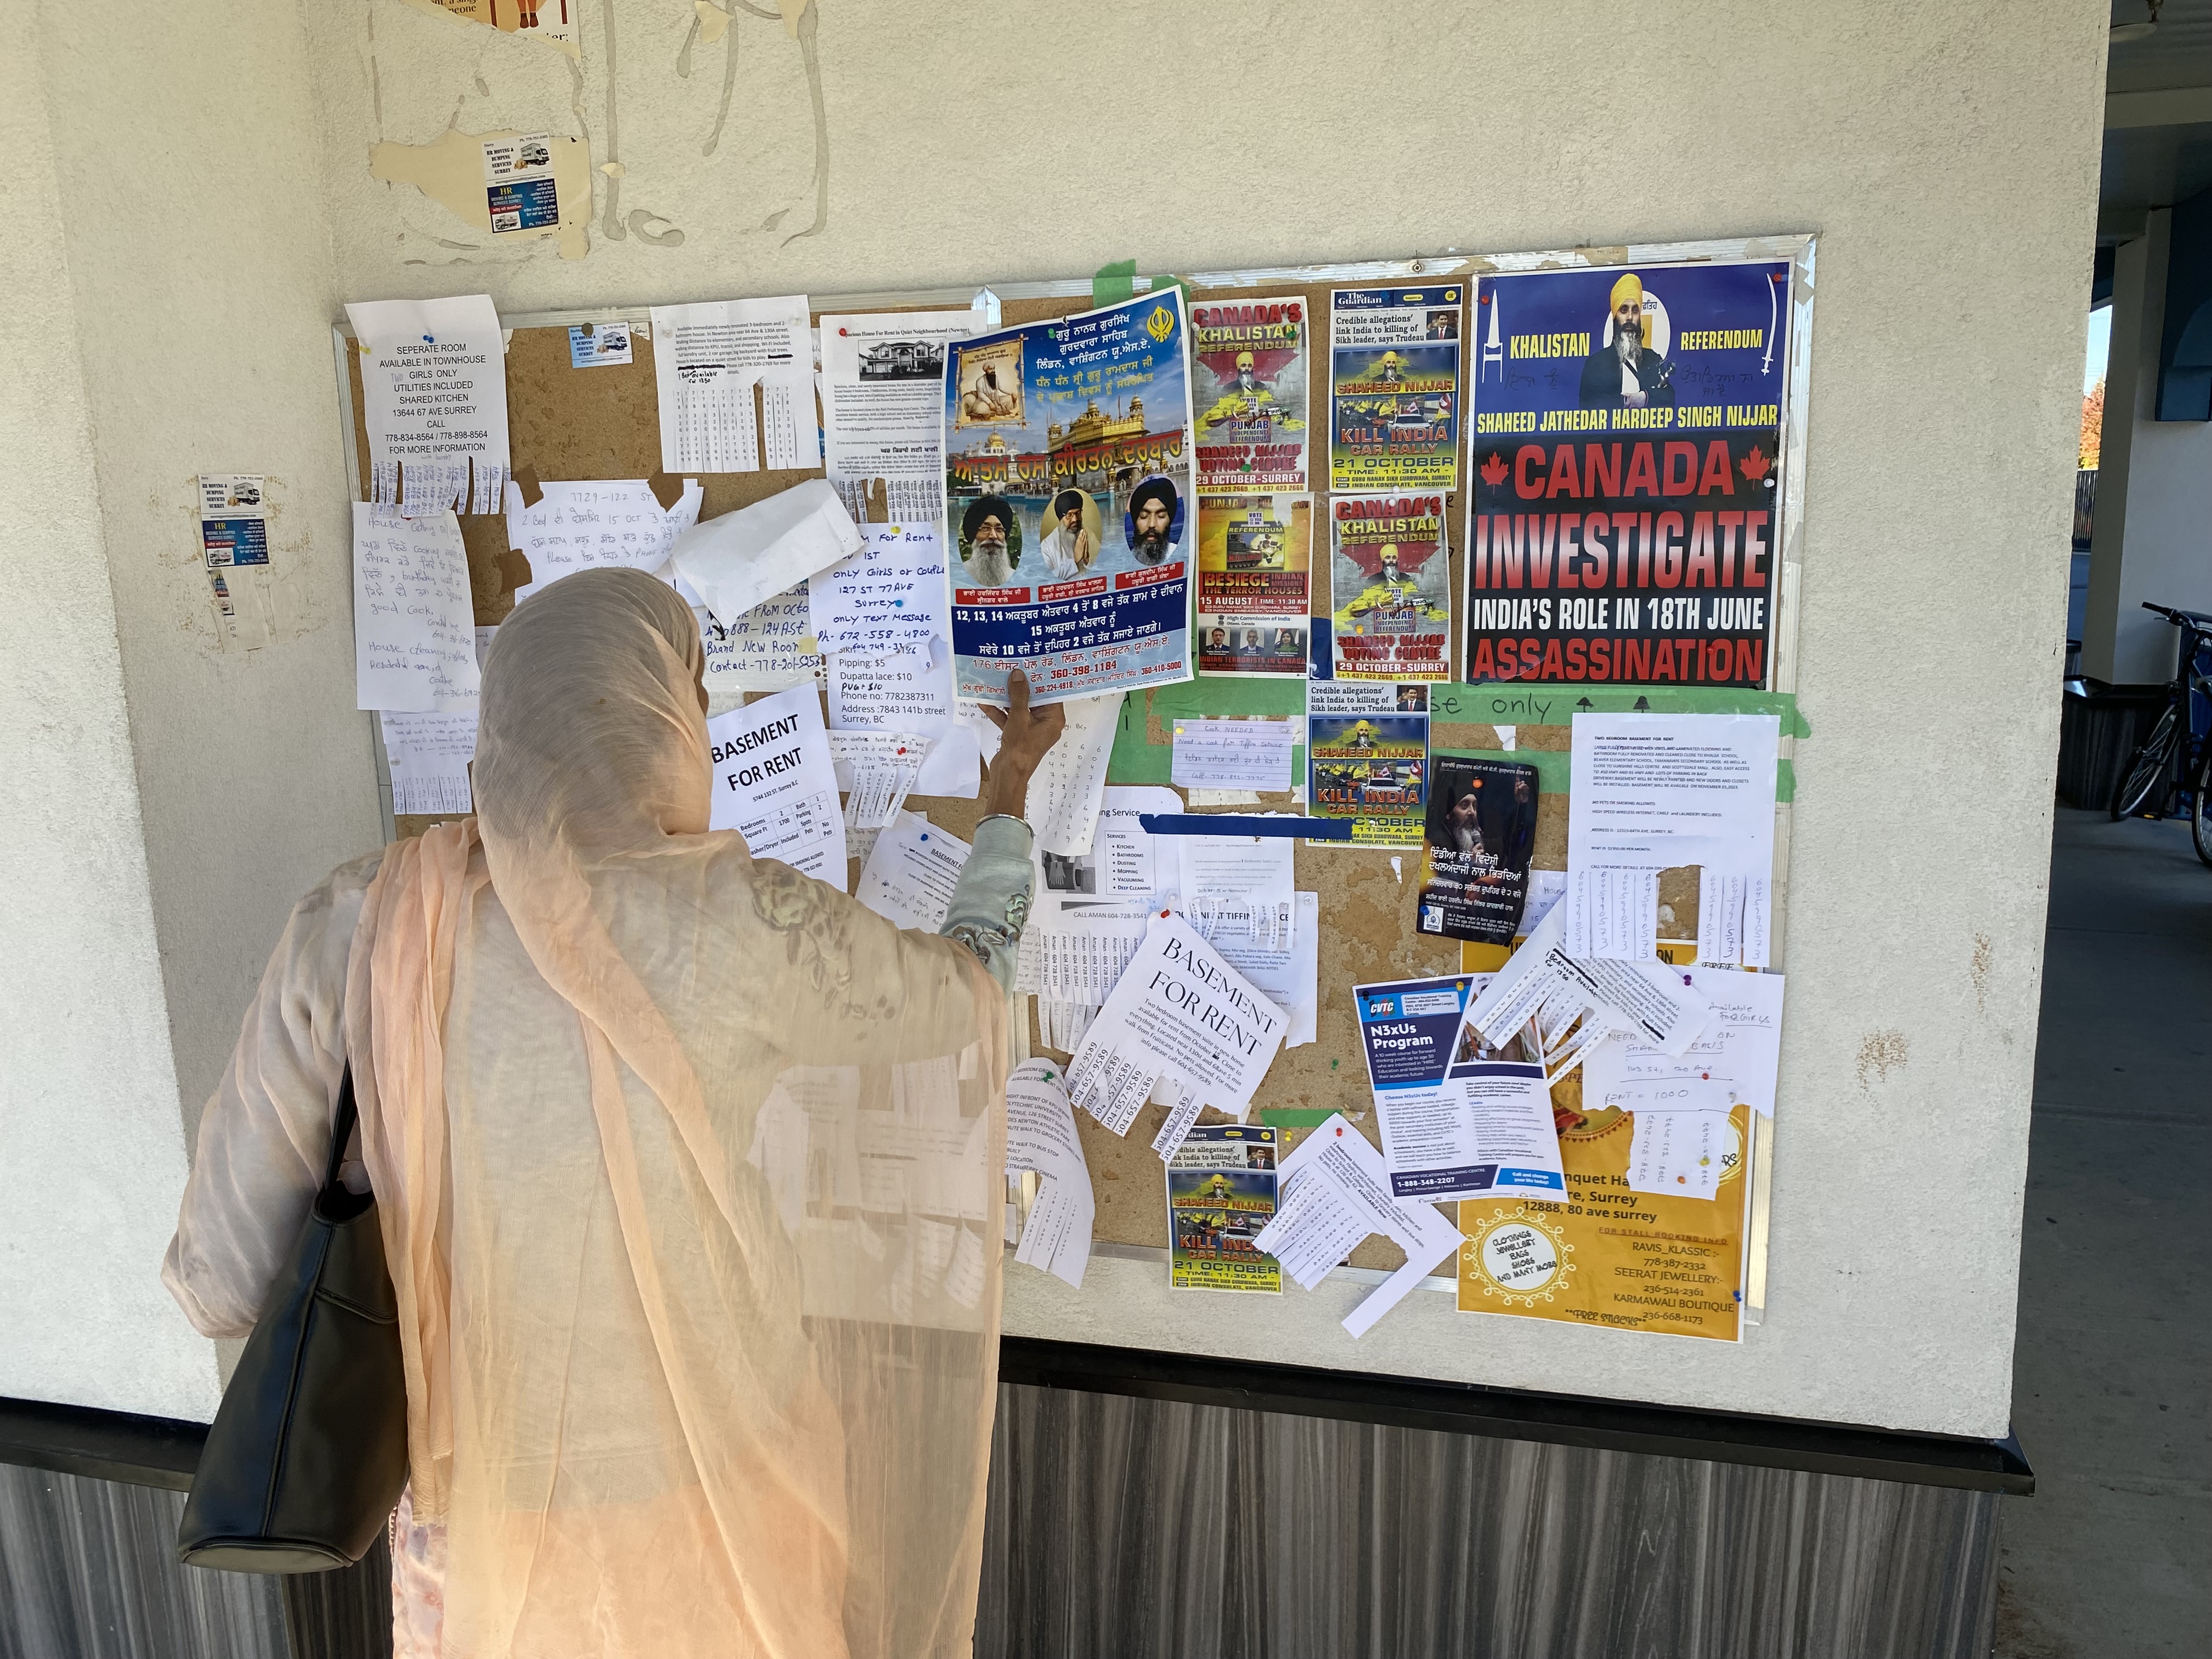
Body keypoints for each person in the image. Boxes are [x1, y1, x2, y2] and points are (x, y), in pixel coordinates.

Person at [162, 569, 1066, 1659]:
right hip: (728, 1504)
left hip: (482, 1529)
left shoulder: (359, 926)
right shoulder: (741, 921)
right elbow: (964, 995)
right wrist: (1008, 802)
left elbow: (220, 1284)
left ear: (510, 719)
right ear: (667, 721)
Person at [1578, 272, 1676, 411]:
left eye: (1635, 311)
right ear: (1615, 317)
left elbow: (1669, 398)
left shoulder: (1653, 359)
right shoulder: (1595, 364)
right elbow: (1586, 409)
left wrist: (1646, 398)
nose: (1630, 317)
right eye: (1624, 310)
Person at [1037, 489, 1096, 580]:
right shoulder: (1047, 546)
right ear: (1061, 518)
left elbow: (1101, 568)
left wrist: (1087, 561)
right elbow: (1048, 579)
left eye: (1078, 513)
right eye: (1069, 515)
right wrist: (1075, 560)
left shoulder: (1090, 536)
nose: (1075, 519)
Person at [961, 494, 1018, 586]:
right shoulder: (962, 574)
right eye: (985, 528)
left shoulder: (1012, 575)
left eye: (999, 529)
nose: (993, 536)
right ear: (974, 534)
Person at [1128, 476, 1180, 566]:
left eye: (1161, 516)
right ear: (1135, 521)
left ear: (1169, 520)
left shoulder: (1180, 554)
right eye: (1144, 516)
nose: (1152, 524)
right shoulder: (1125, 560)